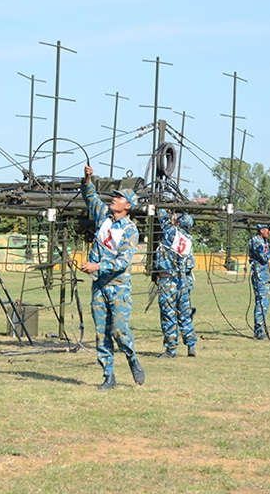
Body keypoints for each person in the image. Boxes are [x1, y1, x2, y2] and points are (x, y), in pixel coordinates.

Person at [80, 164, 145, 389]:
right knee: (101, 332)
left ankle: (132, 358)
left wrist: (97, 266)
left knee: (119, 330)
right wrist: (87, 179)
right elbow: (90, 196)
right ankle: (108, 376)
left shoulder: (130, 230)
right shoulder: (103, 216)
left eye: (119, 197)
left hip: (118, 287)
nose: (114, 199)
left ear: (127, 206)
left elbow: (122, 262)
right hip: (99, 286)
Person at [153, 208, 197, 358]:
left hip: (168, 281)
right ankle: (191, 345)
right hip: (183, 282)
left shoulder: (171, 232)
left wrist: (165, 209)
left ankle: (171, 350)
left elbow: (161, 215)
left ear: (178, 222)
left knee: (169, 315)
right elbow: (191, 264)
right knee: (184, 315)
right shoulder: (188, 239)